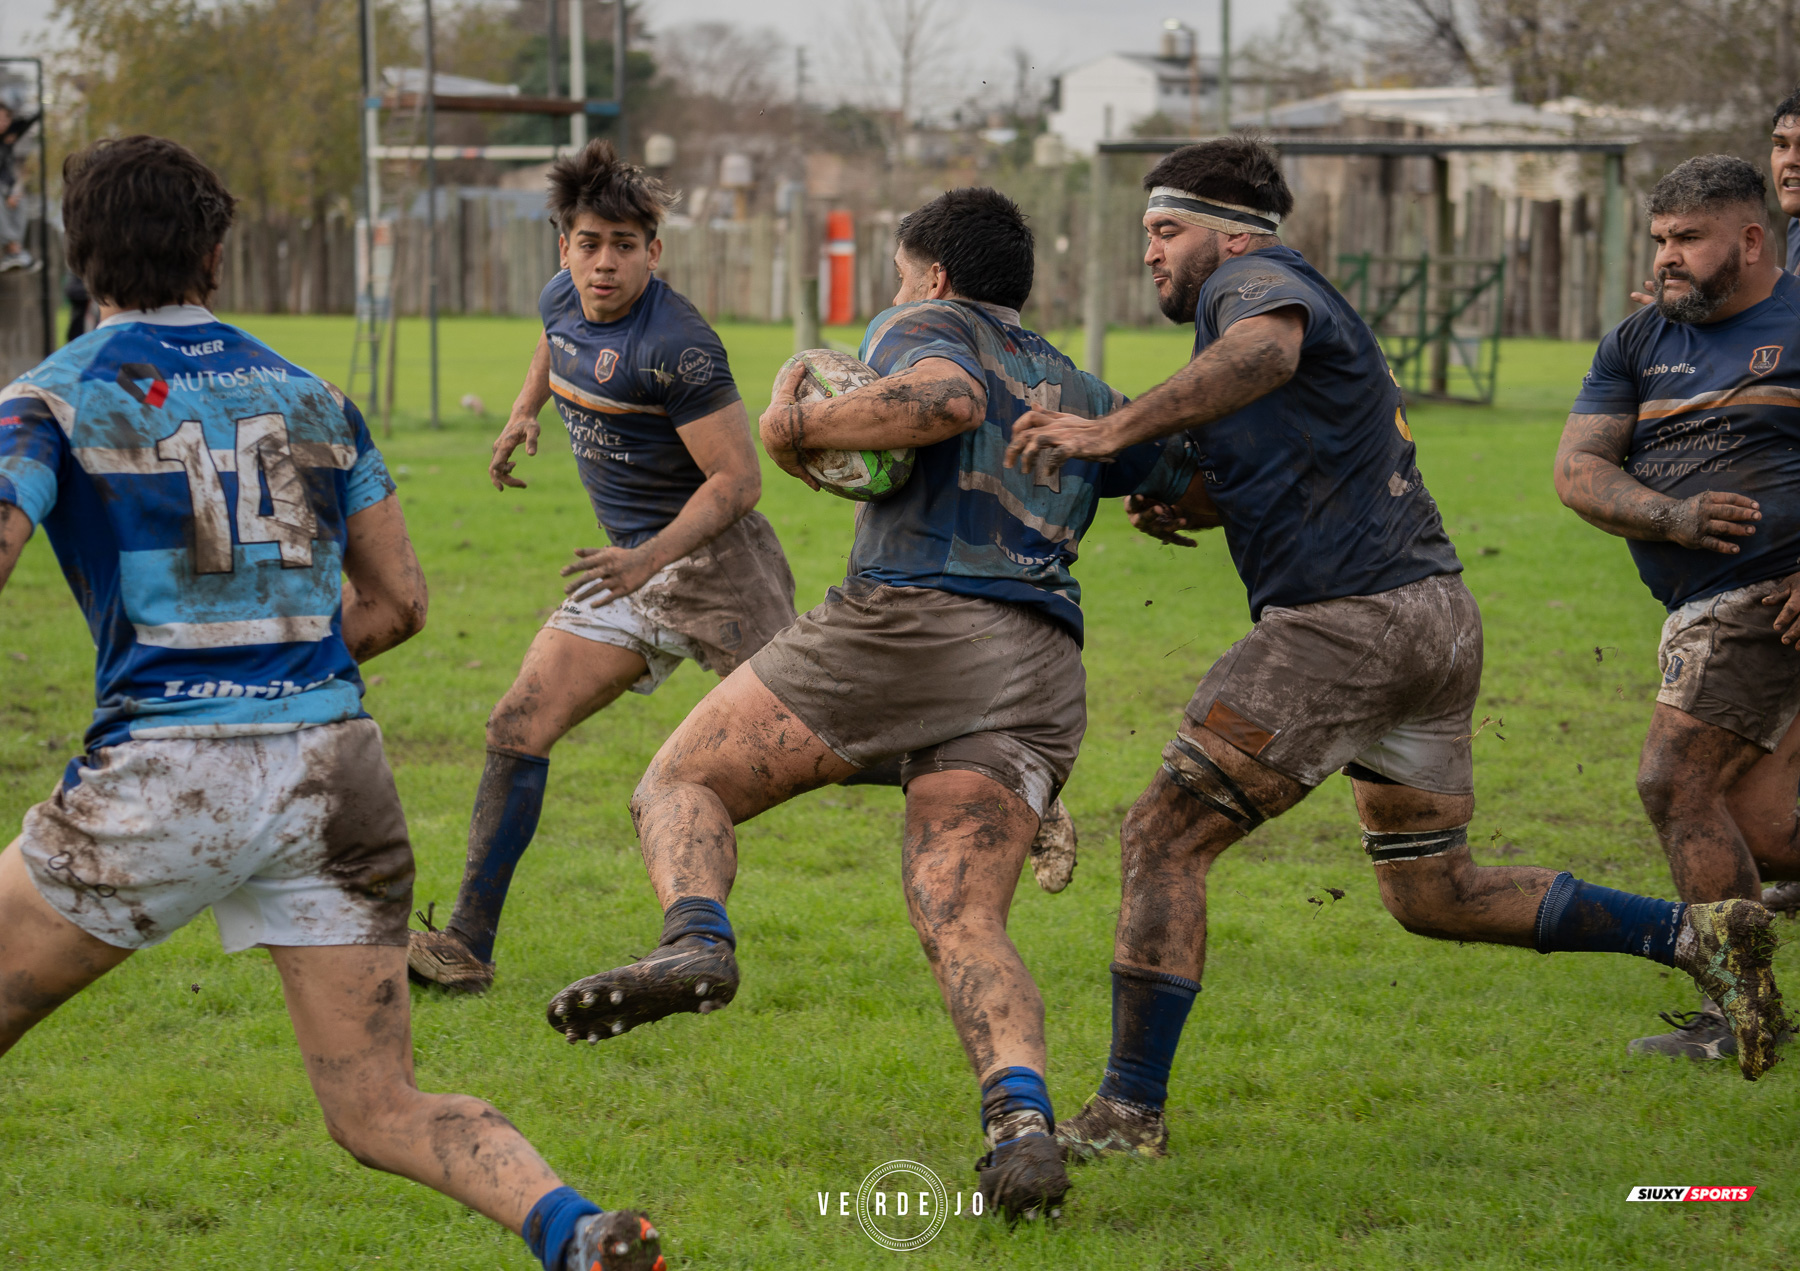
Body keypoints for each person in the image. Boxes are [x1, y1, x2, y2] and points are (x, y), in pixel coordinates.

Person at [1003, 138, 1788, 1165]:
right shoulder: (1281, 300)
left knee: (1161, 835)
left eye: (1166, 229)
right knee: (1434, 891)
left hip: (1346, 626)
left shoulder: (1252, 286)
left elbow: (1264, 354)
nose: (1150, 251)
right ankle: (1694, 933)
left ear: (1231, 236)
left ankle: (1126, 1114)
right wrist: (1184, 495)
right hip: (1434, 618)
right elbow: (1288, 444)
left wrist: (1109, 433)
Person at [0, 135, 663, 1271]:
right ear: (216, 254)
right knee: (380, 1105)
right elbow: (400, 603)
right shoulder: (317, 396)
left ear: (80, 253)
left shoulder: (50, 398)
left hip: (167, 776)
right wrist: (278, 657)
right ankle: (576, 1227)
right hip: (336, 775)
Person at [542, 187, 1203, 1219]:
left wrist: (793, 425)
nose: (896, 294)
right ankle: (1022, 1127)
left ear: (933, 273)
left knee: (679, 781)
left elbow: (946, 401)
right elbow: (1185, 474)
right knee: (961, 912)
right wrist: (1167, 503)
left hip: (909, 625)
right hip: (1039, 663)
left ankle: (696, 939)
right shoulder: (1076, 381)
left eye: (900, 274)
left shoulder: (922, 323)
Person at [405, 139, 799, 994]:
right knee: (517, 722)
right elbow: (556, 341)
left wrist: (647, 557)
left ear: (655, 252)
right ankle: (466, 943)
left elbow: (739, 481)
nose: (605, 263)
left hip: (717, 569)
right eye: (589, 244)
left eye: (625, 246)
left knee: (831, 730)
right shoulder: (562, 296)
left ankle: (999, 780)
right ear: (565, 249)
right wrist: (523, 412)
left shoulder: (680, 346)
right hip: (624, 568)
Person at [1557, 153, 1800, 1063]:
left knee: (1674, 780)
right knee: (1767, 831)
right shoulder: (1636, 341)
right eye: (1660, 238)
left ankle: (1742, 1016)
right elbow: (1578, 468)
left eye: (1688, 239)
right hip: (1696, 599)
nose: (1666, 257)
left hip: (1764, 596)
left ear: (1751, 239)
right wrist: (1672, 516)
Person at [0, 100, 40, 271]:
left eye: (5, 119)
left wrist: (12, 192)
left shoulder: (8, 137)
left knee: (20, 199)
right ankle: (14, 249)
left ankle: (14, 251)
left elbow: (28, 121)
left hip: (5, 186)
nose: (3, 123)